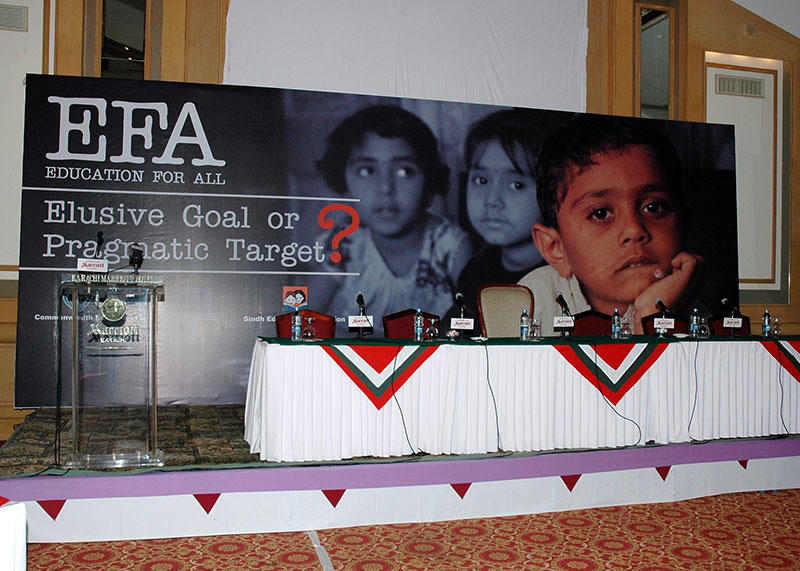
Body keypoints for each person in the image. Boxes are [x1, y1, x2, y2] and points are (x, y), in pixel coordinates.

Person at [519, 114, 705, 336]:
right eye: (600, 213)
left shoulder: (690, 313)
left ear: (685, 224)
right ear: (555, 248)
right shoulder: (530, 302)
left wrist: (651, 314)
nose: (634, 230)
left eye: (653, 207)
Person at [312, 105, 471, 335]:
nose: (385, 188)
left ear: (429, 180)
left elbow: (471, 326)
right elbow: (300, 317)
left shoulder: (449, 246)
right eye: (367, 171)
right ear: (343, 181)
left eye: (404, 171)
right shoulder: (345, 242)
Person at [444, 109, 552, 332]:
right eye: (481, 180)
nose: (492, 200)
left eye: (516, 185)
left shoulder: (565, 277)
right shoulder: (477, 271)